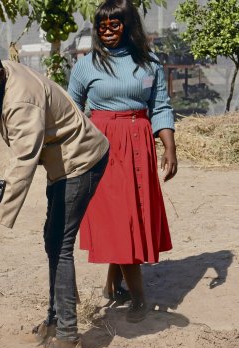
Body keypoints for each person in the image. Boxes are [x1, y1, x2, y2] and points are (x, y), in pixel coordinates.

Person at [0, 45, 110, 348]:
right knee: (52, 239)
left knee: (60, 244)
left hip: (80, 160)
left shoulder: (21, 100)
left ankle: (68, 335)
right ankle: (57, 320)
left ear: (0, 75)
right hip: (61, 161)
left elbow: (24, 159)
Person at [68, 0, 177, 323]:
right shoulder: (86, 65)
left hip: (139, 144)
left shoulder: (149, 63)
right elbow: (72, 109)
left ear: (128, 25)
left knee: (131, 216)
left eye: (115, 24)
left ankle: (111, 287)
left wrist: (169, 148)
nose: (108, 31)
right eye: (102, 26)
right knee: (120, 218)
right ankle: (140, 299)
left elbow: (160, 107)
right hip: (102, 146)